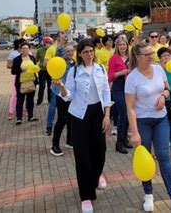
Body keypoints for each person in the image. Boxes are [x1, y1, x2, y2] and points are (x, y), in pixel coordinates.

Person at [125, 42, 171, 212]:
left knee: (163, 156)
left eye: (151, 53)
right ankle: (148, 194)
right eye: (147, 54)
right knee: (145, 160)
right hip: (143, 121)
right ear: (137, 57)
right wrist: (134, 132)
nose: (151, 56)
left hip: (161, 119)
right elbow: (130, 108)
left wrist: (162, 96)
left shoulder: (159, 70)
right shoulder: (132, 78)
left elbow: (167, 89)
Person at [54, 39, 111, 213]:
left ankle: (95, 176)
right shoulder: (74, 71)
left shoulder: (101, 69)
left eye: (91, 51)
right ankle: (86, 196)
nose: (89, 54)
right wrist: (62, 87)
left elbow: (106, 92)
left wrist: (107, 115)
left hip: (98, 113)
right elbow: (69, 96)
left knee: (100, 151)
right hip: (79, 115)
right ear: (79, 53)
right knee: (82, 155)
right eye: (85, 52)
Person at [108, 36, 132, 154]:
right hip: (118, 86)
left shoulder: (131, 57)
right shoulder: (114, 58)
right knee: (123, 113)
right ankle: (119, 142)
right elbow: (110, 76)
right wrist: (121, 72)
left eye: (124, 44)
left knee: (129, 114)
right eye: (120, 45)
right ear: (117, 46)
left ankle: (124, 138)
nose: (122, 47)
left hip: (130, 87)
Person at [50, 43, 75, 156]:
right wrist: (61, 40)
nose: (70, 52)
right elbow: (57, 53)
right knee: (62, 119)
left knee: (71, 118)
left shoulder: (74, 63)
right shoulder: (61, 62)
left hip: (71, 94)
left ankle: (70, 140)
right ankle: (55, 145)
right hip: (61, 93)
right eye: (67, 51)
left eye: (71, 50)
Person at [11, 42, 39, 125]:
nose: (25, 50)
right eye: (23, 48)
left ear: (29, 49)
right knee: (20, 100)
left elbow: (35, 68)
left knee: (30, 100)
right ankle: (19, 118)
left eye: (26, 48)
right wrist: (20, 70)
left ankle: (31, 116)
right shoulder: (17, 59)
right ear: (20, 49)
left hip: (31, 82)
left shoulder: (32, 58)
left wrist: (36, 69)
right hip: (21, 83)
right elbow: (13, 71)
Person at [6, 39, 24, 120]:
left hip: (26, 76)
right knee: (15, 94)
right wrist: (17, 66)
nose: (24, 46)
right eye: (22, 44)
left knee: (25, 92)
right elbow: (8, 65)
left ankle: (23, 110)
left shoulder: (27, 52)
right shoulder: (13, 54)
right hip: (16, 75)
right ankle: (11, 111)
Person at [36, 37, 54, 106]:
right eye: (47, 43)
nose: (48, 44)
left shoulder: (52, 50)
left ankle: (50, 100)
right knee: (42, 86)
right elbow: (36, 60)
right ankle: (39, 101)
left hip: (50, 71)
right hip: (42, 71)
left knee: (50, 86)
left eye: (50, 43)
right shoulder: (39, 50)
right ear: (44, 43)